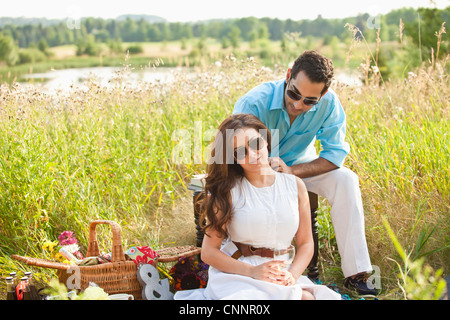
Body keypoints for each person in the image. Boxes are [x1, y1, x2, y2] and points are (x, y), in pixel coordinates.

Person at [232, 50, 376, 296]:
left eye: (310, 101)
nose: (298, 104)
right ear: (288, 76)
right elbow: (235, 151)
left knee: (346, 179)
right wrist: (267, 170)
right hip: (257, 170)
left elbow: (335, 153)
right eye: (294, 93)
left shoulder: (330, 104)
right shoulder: (253, 102)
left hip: (300, 166)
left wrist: (292, 171)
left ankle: (357, 273)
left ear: (324, 95)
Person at [174, 113, 341, 300]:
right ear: (233, 158)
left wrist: (292, 276)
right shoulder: (229, 191)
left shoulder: (295, 185)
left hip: (281, 272)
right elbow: (209, 252)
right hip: (239, 274)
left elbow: (305, 243)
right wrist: (252, 271)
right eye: (241, 152)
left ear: (266, 140)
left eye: (255, 144)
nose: (252, 155)